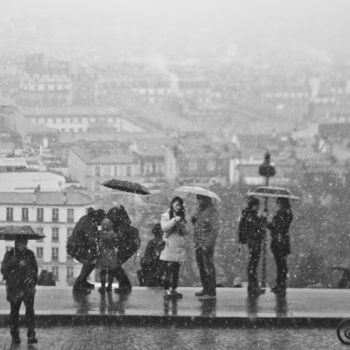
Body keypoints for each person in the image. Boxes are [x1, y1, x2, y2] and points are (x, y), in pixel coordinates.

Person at [1, 237, 38, 344]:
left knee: (30, 312)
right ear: (15, 243)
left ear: (26, 243)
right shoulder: (9, 254)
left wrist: (32, 281)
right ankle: (15, 335)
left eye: (23, 243)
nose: (21, 245)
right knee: (14, 312)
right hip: (14, 288)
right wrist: (13, 262)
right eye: (19, 243)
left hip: (28, 288)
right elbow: (3, 269)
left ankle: (31, 335)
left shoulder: (30, 254)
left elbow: (34, 269)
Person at [67, 208, 105, 290]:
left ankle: (82, 280)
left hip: (80, 245)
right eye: (101, 219)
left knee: (91, 261)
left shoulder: (93, 221)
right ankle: (79, 282)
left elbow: (97, 233)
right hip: (76, 246)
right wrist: (96, 246)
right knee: (89, 261)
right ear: (98, 216)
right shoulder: (88, 221)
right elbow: (91, 237)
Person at [160, 197, 189, 298]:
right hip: (169, 245)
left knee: (176, 270)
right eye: (176, 205)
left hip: (179, 247)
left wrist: (181, 225)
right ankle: (167, 289)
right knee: (169, 269)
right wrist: (173, 221)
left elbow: (187, 232)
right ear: (172, 205)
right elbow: (164, 228)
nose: (178, 207)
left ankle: (173, 288)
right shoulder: (165, 215)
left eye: (180, 205)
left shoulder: (182, 217)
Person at [107, 206, 140, 294]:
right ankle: (124, 284)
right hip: (128, 246)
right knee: (114, 265)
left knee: (114, 265)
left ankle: (125, 284)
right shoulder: (120, 223)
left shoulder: (121, 225)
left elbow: (119, 237)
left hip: (128, 246)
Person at [192, 194, 219, 300]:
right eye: (198, 198)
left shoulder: (212, 211)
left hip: (206, 245)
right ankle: (205, 287)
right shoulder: (199, 210)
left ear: (207, 199)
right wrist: (196, 213)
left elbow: (214, 229)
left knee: (208, 268)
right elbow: (193, 220)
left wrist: (207, 245)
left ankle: (211, 291)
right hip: (198, 243)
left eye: (201, 198)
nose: (199, 201)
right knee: (202, 267)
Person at [239, 197, 266, 297]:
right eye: (258, 205)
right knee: (253, 265)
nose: (259, 207)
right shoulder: (251, 216)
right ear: (254, 206)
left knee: (252, 265)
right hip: (254, 243)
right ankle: (253, 287)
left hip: (251, 242)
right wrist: (262, 221)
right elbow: (257, 230)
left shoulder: (248, 215)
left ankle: (253, 286)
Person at [267, 197, 293, 295]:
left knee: (281, 264)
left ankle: (281, 285)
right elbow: (277, 226)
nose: (277, 204)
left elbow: (278, 227)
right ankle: (280, 284)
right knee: (281, 264)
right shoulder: (284, 213)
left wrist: (269, 224)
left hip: (280, 242)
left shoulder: (284, 213)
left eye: (279, 202)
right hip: (281, 241)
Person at [96, 217, 119, 293]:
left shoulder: (101, 233)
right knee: (111, 271)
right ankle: (109, 287)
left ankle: (103, 288)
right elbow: (116, 243)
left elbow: (98, 241)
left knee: (103, 271)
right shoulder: (113, 233)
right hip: (111, 253)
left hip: (103, 253)